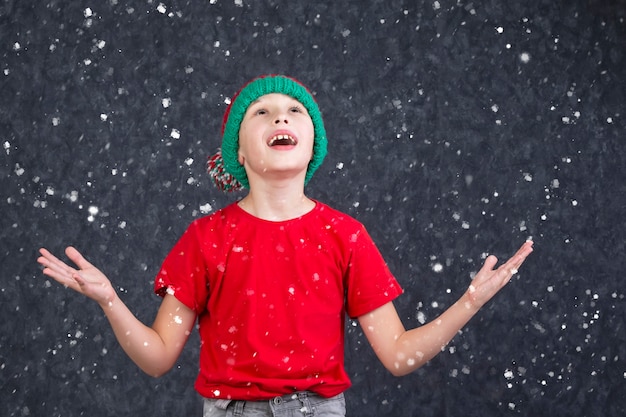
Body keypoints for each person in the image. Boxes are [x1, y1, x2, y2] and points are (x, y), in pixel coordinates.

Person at [37, 74, 534, 417]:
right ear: (237, 149)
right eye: (263, 112)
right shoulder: (205, 238)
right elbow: (158, 357)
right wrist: (110, 301)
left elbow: (398, 355)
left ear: (312, 141)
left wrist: (470, 302)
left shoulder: (346, 235)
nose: (281, 118)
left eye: (295, 110)